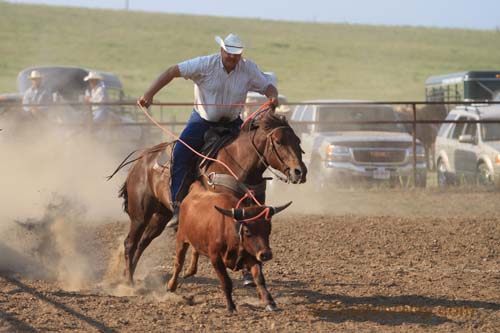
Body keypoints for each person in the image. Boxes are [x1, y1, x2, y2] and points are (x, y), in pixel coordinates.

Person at [139, 33, 279, 228]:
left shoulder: (248, 68)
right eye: (229, 53)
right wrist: (149, 94)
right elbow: (172, 71)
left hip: (232, 123)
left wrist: (273, 96)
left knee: (253, 153)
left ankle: (252, 202)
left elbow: (268, 85)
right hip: (203, 121)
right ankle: (178, 206)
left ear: (241, 55)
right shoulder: (205, 64)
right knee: (180, 153)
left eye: (236, 54)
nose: (232, 57)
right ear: (221, 50)